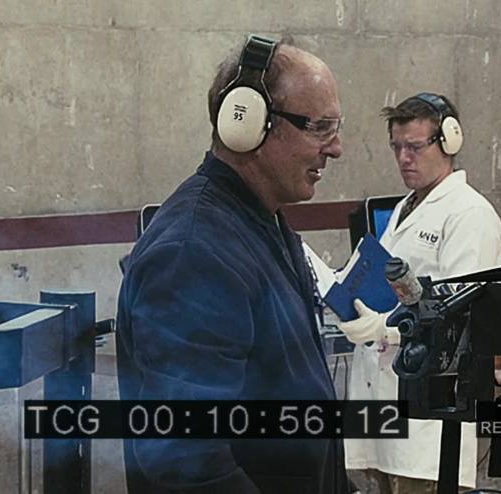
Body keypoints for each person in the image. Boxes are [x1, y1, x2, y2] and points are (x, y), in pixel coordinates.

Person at [116, 35, 346, 494]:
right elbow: (187, 458)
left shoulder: (260, 223)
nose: (336, 147)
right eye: (319, 127)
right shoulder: (194, 253)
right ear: (249, 123)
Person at [339, 93, 501, 492]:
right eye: (396, 147)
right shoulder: (405, 209)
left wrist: (387, 329)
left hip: (429, 422)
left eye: (414, 147)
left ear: (449, 140)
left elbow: (460, 316)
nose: (404, 158)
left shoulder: (468, 213)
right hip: (382, 413)